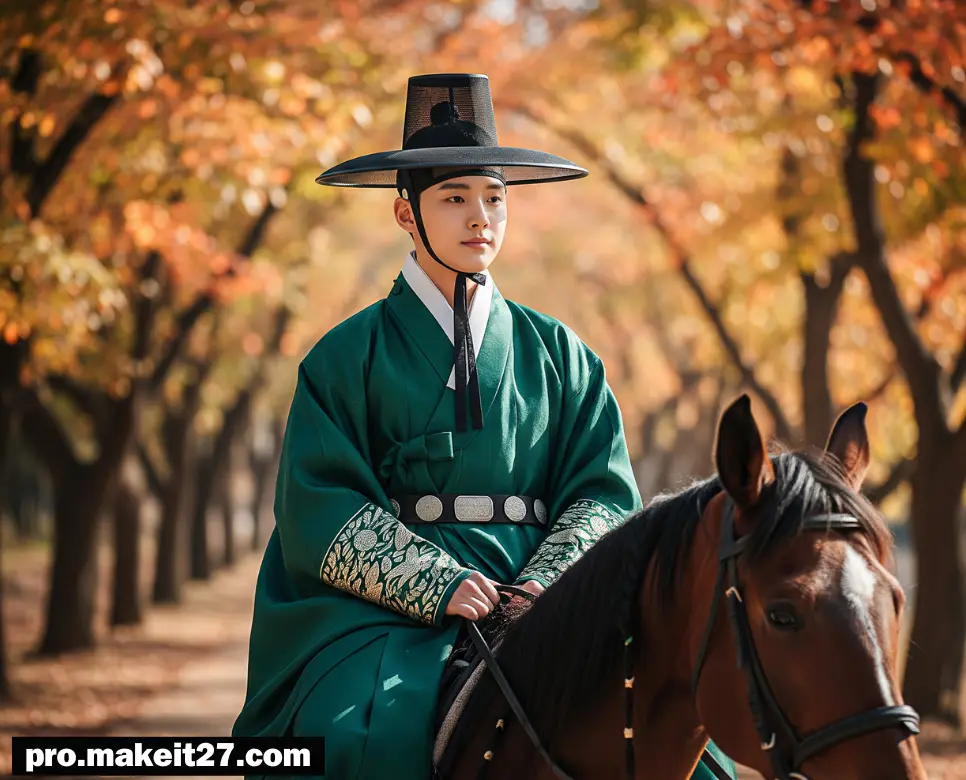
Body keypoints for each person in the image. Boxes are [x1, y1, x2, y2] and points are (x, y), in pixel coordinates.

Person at [232, 73, 736, 780]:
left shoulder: (563, 355)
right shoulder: (345, 357)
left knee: (691, 753)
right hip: (387, 615)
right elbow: (319, 505)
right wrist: (433, 580)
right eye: (455, 198)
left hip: (548, 599)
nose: (481, 219)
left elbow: (602, 494)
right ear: (406, 215)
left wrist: (549, 587)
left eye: (495, 198)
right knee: (350, 735)